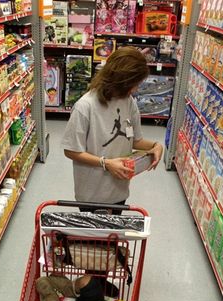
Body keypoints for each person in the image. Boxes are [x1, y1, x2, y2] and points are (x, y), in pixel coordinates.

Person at [62, 47, 164, 212]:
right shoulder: (85, 106)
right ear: (120, 80)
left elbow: (135, 140)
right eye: (133, 84)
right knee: (95, 237)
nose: (135, 89)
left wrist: (156, 146)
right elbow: (71, 150)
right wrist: (106, 163)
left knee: (112, 236)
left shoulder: (128, 101)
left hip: (119, 189)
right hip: (91, 194)